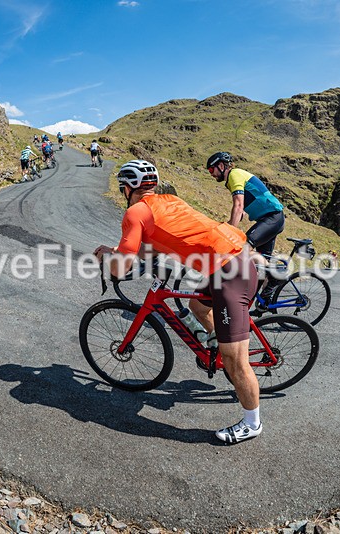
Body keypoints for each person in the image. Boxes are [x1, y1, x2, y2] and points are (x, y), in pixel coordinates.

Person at [94, 160, 262, 444]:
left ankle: (252, 423)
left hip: (232, 273)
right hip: (232, 258)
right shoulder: (167, 199)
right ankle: (215, 342)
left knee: (236, 364)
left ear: (127, 188)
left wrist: (107, 260)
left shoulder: (135, 212)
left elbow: (120, 270)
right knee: (197, 306)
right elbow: (152, 245)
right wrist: (117, 249)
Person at [206, 151, 284, 305]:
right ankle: (265, 301)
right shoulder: (233, 179)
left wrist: (230, 232)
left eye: (211, 170)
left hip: (272, 218)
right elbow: (240, 211)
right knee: (259, 265)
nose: (211, 174)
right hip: (268, 219)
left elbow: (238, 205)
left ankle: (276, 276)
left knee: (244, 249)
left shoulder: (234, 175)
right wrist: (229, 224)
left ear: (221, 166)